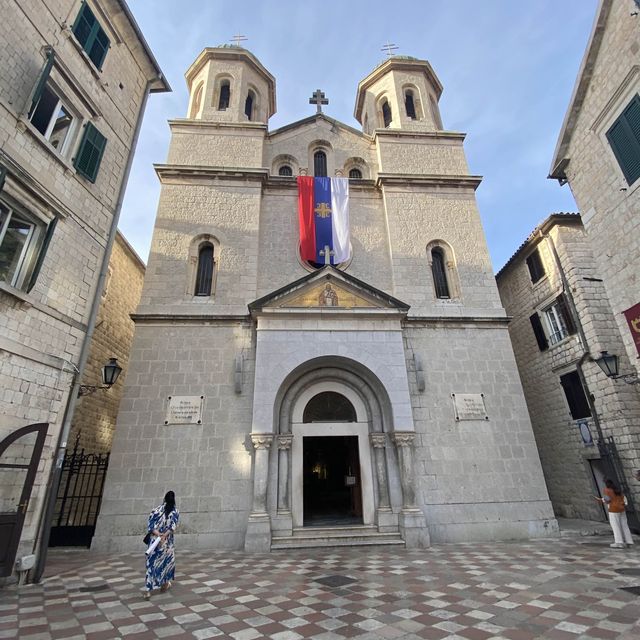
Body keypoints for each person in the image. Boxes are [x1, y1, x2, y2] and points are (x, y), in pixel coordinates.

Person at [144, 491, 179, 598]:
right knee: (166, 564)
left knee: (151, 565)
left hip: (155, 541)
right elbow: (172, 527)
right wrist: (164, 536)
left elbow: (150, 526)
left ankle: (148, 590)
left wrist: (158, 534)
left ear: (164, 499)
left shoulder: (155, 510)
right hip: (167, 542)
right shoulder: (175, 511)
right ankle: (165, 584)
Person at [594, 479, 633, 549]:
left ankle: (619, 542)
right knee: (625, 525)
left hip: (613, 510)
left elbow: (607, 500)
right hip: (622, 509)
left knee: (615, 526)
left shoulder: (607, 490)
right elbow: (624, 499)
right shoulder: (618, 490)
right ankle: (629, 541)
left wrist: (600, 500)